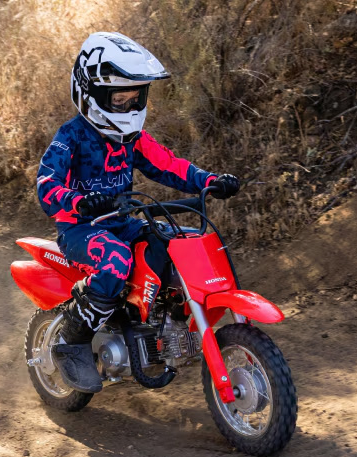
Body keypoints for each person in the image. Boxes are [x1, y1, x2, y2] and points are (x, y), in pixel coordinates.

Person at [36, 32, 240, 393]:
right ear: (91, 93)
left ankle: (158, 320)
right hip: (81, 229)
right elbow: (46, 185)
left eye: (136, 98)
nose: (129, 107)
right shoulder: (71, 137)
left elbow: (169, 166)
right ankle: (72, 340)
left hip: (122, 222)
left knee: (175, 239)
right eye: (119, 99)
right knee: (116, 259)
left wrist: (210, 181)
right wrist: (77, 201)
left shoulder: (133, 139)